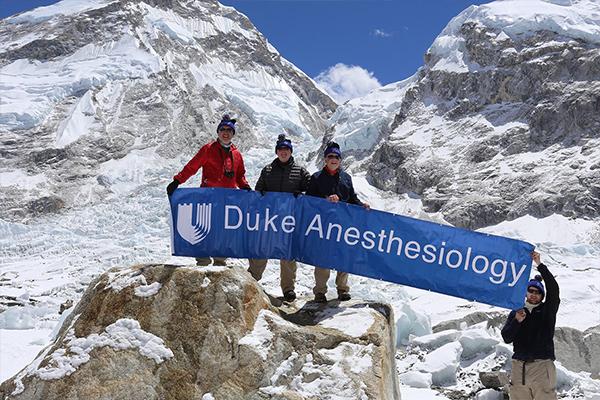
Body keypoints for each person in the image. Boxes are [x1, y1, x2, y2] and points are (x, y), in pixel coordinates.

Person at [166, 114, 251, 266]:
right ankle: (203, 260)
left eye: (229, 130)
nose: (226, 133)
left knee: (223, 231)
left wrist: (244, 186)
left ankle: (220, 261)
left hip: (227, 200)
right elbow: (192, 166)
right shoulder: (208, 149)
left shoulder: (237, 155)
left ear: (233, 134)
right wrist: (177, 180)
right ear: (218, 132)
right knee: (204, 228)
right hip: (208, 198)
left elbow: (240, 176)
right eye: (223, 129)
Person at [248, 134, 311, 302]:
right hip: (270, 218)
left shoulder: (300, 171)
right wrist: (260, 194)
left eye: (286, 150)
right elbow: (258, 190)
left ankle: (288, 289)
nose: (284, 152)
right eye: (281, 150)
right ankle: (252, 278)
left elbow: (311, 191)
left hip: (290, 220)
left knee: (288, 254)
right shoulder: (268, 170)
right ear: (277, 152)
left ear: (290, 152)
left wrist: (302, 194)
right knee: (262, 248)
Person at [306, 141, 370, 303]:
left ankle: (342, 289)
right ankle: (320, 292)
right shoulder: (316, 178)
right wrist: (325, 200)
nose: (333, 159)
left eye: (336, 157)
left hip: (343, 225)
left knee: (343, 256)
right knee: (323, 258)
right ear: (325, 159)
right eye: (330, 156)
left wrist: (361, 205)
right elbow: (309, 201)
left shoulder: (346, 178)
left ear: (340, 160)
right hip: (324, 225)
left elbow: (352, 198)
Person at [501, 251, 560, 400]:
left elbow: (554, 290)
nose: (533, 294)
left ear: (542, 296)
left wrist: (539, 265)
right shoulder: (517, 311)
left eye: (538, 292)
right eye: (531, 291)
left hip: (541, 366)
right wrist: (517, 322)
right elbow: (506, 337)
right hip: (518, 368)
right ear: (526, 292)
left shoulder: (547, 310)